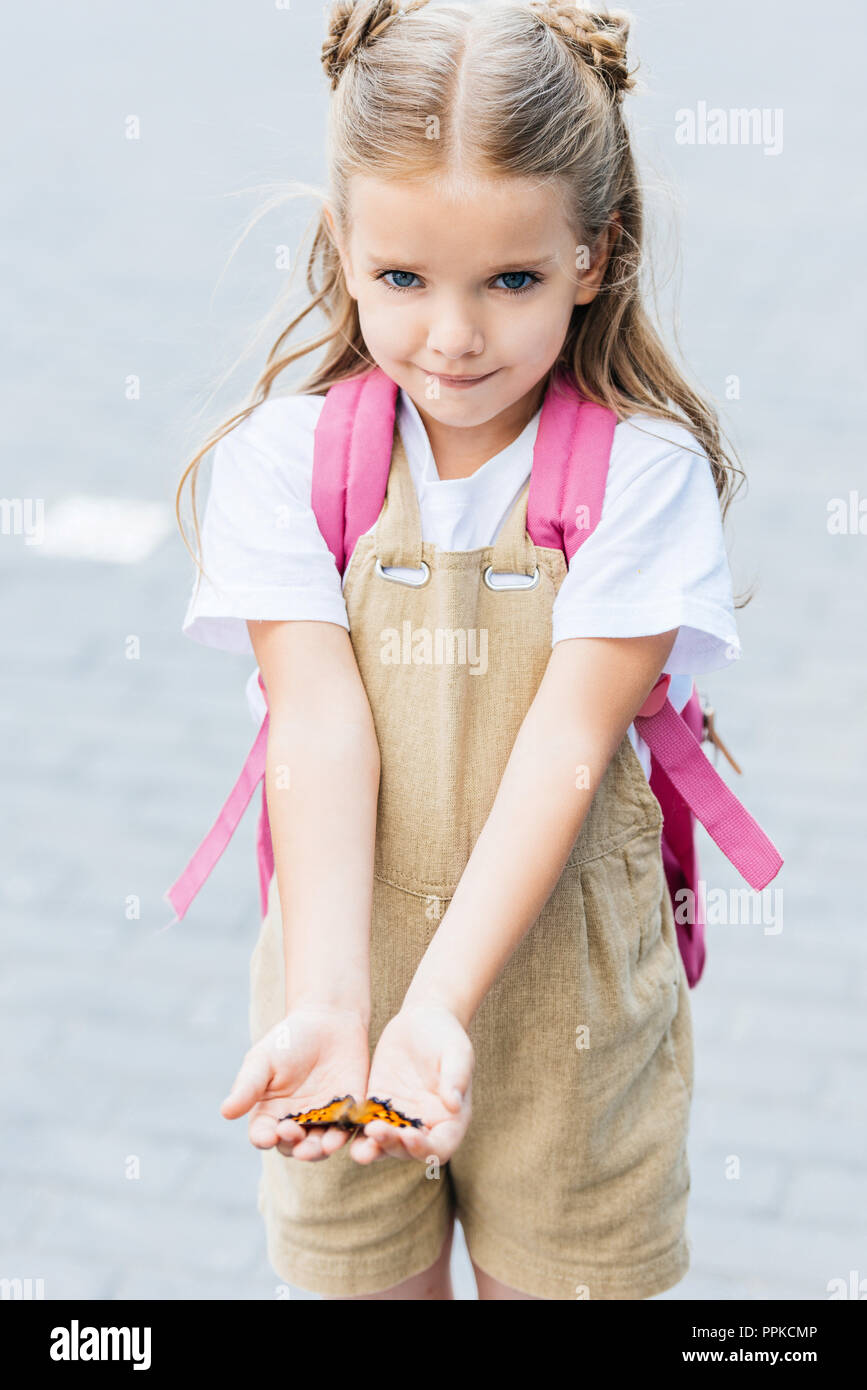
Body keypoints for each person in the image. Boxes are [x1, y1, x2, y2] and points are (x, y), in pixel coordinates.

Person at [175, 0, 745, 1300]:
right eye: (402, 279)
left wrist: (441, 1007)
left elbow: (566, 740)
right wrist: (339, 1007)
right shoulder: (287, 463)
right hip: (342, 967)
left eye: (512, 279)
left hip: (571, 1016)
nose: (452, 336)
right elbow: (317, 724)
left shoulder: (641, 477)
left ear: (595, 257)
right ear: (343, 250)